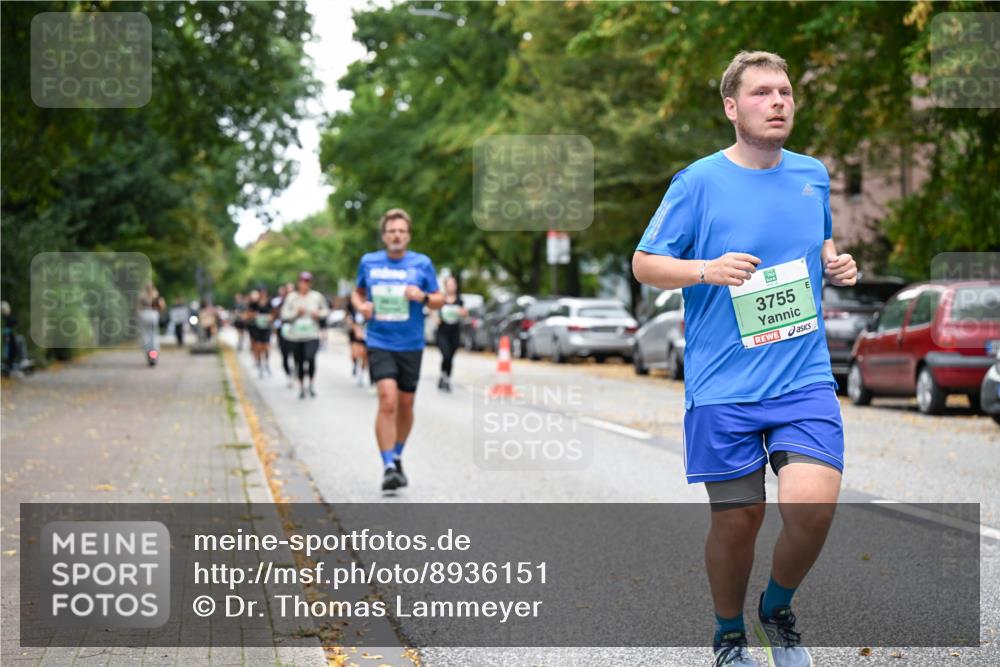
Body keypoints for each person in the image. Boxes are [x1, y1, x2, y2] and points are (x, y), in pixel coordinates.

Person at [632, 51, 857, 667]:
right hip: (723, 385)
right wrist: (707, 270)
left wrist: (837, 263)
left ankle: (777, 610)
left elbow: (820, 243)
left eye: (784, 91)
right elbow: (645, 264)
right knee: (739, 522)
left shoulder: (812, 174)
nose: (778, 101)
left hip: (801, 376)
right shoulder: (697, 182)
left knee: (813, 505)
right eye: (762, 93)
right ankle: (729, 634)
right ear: (733, 108)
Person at [352, 208, 442, 491]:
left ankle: (398, 453)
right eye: (392, 231)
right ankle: (388, 465)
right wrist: (361, 306)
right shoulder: (369, 262)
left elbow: (439, 299)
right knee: (387, 399)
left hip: (411, 343)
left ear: (408, 236)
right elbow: (357, 293)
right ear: (384, 235)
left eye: (402, 231)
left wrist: (424, 296)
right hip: (379, 340)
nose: (397, 235)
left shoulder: (422, 264)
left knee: (405, 404)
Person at [281, 272, 330, 399]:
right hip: (296, 336)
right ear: (299, 282)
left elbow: (326, 311)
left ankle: (311, 384)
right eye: (303, 281)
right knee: (299, 361)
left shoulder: (316, 296)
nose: (305, 284)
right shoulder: (291, 297)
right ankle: (302, 387)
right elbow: (284, 315)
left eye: (307, 281)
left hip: (312, 334)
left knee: (310, 357)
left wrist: (318, 314)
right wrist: (296, 313)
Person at [434, 275, 467, 392]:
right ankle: (444, 375)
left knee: (451, 356)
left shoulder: (460, 300)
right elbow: (433, 311)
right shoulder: (441, 299)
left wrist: (462, 312)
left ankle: (446, 377)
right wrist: (436, 318)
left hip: (454, 332)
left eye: (453, 284)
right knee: (446, 354)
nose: (451, 287)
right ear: (445, 286)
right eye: (449, 284)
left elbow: (464, 313)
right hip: (442, 332)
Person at [246, 288, 274, 378]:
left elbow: (274, 313)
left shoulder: (270, 302)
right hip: (257, 328)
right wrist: (254, 315)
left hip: (266, 327)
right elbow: (248, 314)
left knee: (266, 346)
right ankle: (259, 363)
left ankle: (266, 363)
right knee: (258, 346)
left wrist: (270, 317)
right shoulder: (254, 304)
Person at [137, 283, 165, 366]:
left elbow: (137, 308)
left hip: (144, 315)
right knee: (154, 336)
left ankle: (148, 354)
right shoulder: (156, 295)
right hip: (153, 315)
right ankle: (153, 356)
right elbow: (162, 306)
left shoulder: (141, 296)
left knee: (146, 335)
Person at [274, 283, 295, 388]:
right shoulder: (280, 304)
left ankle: (296, 372)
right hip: (283, 332)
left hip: (297, 333)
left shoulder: (298, 302)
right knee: (285, 355)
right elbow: (275, 316)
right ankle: (289, 375)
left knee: (297, 354)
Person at [345, 295, 369, 388]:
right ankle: (355, 364)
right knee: (355, 354)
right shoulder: (352, 307)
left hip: (366, 334)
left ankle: (361, 375)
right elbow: (347, 317)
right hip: (354, 334)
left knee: (364, 355)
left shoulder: (369, 305)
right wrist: (353, 326)